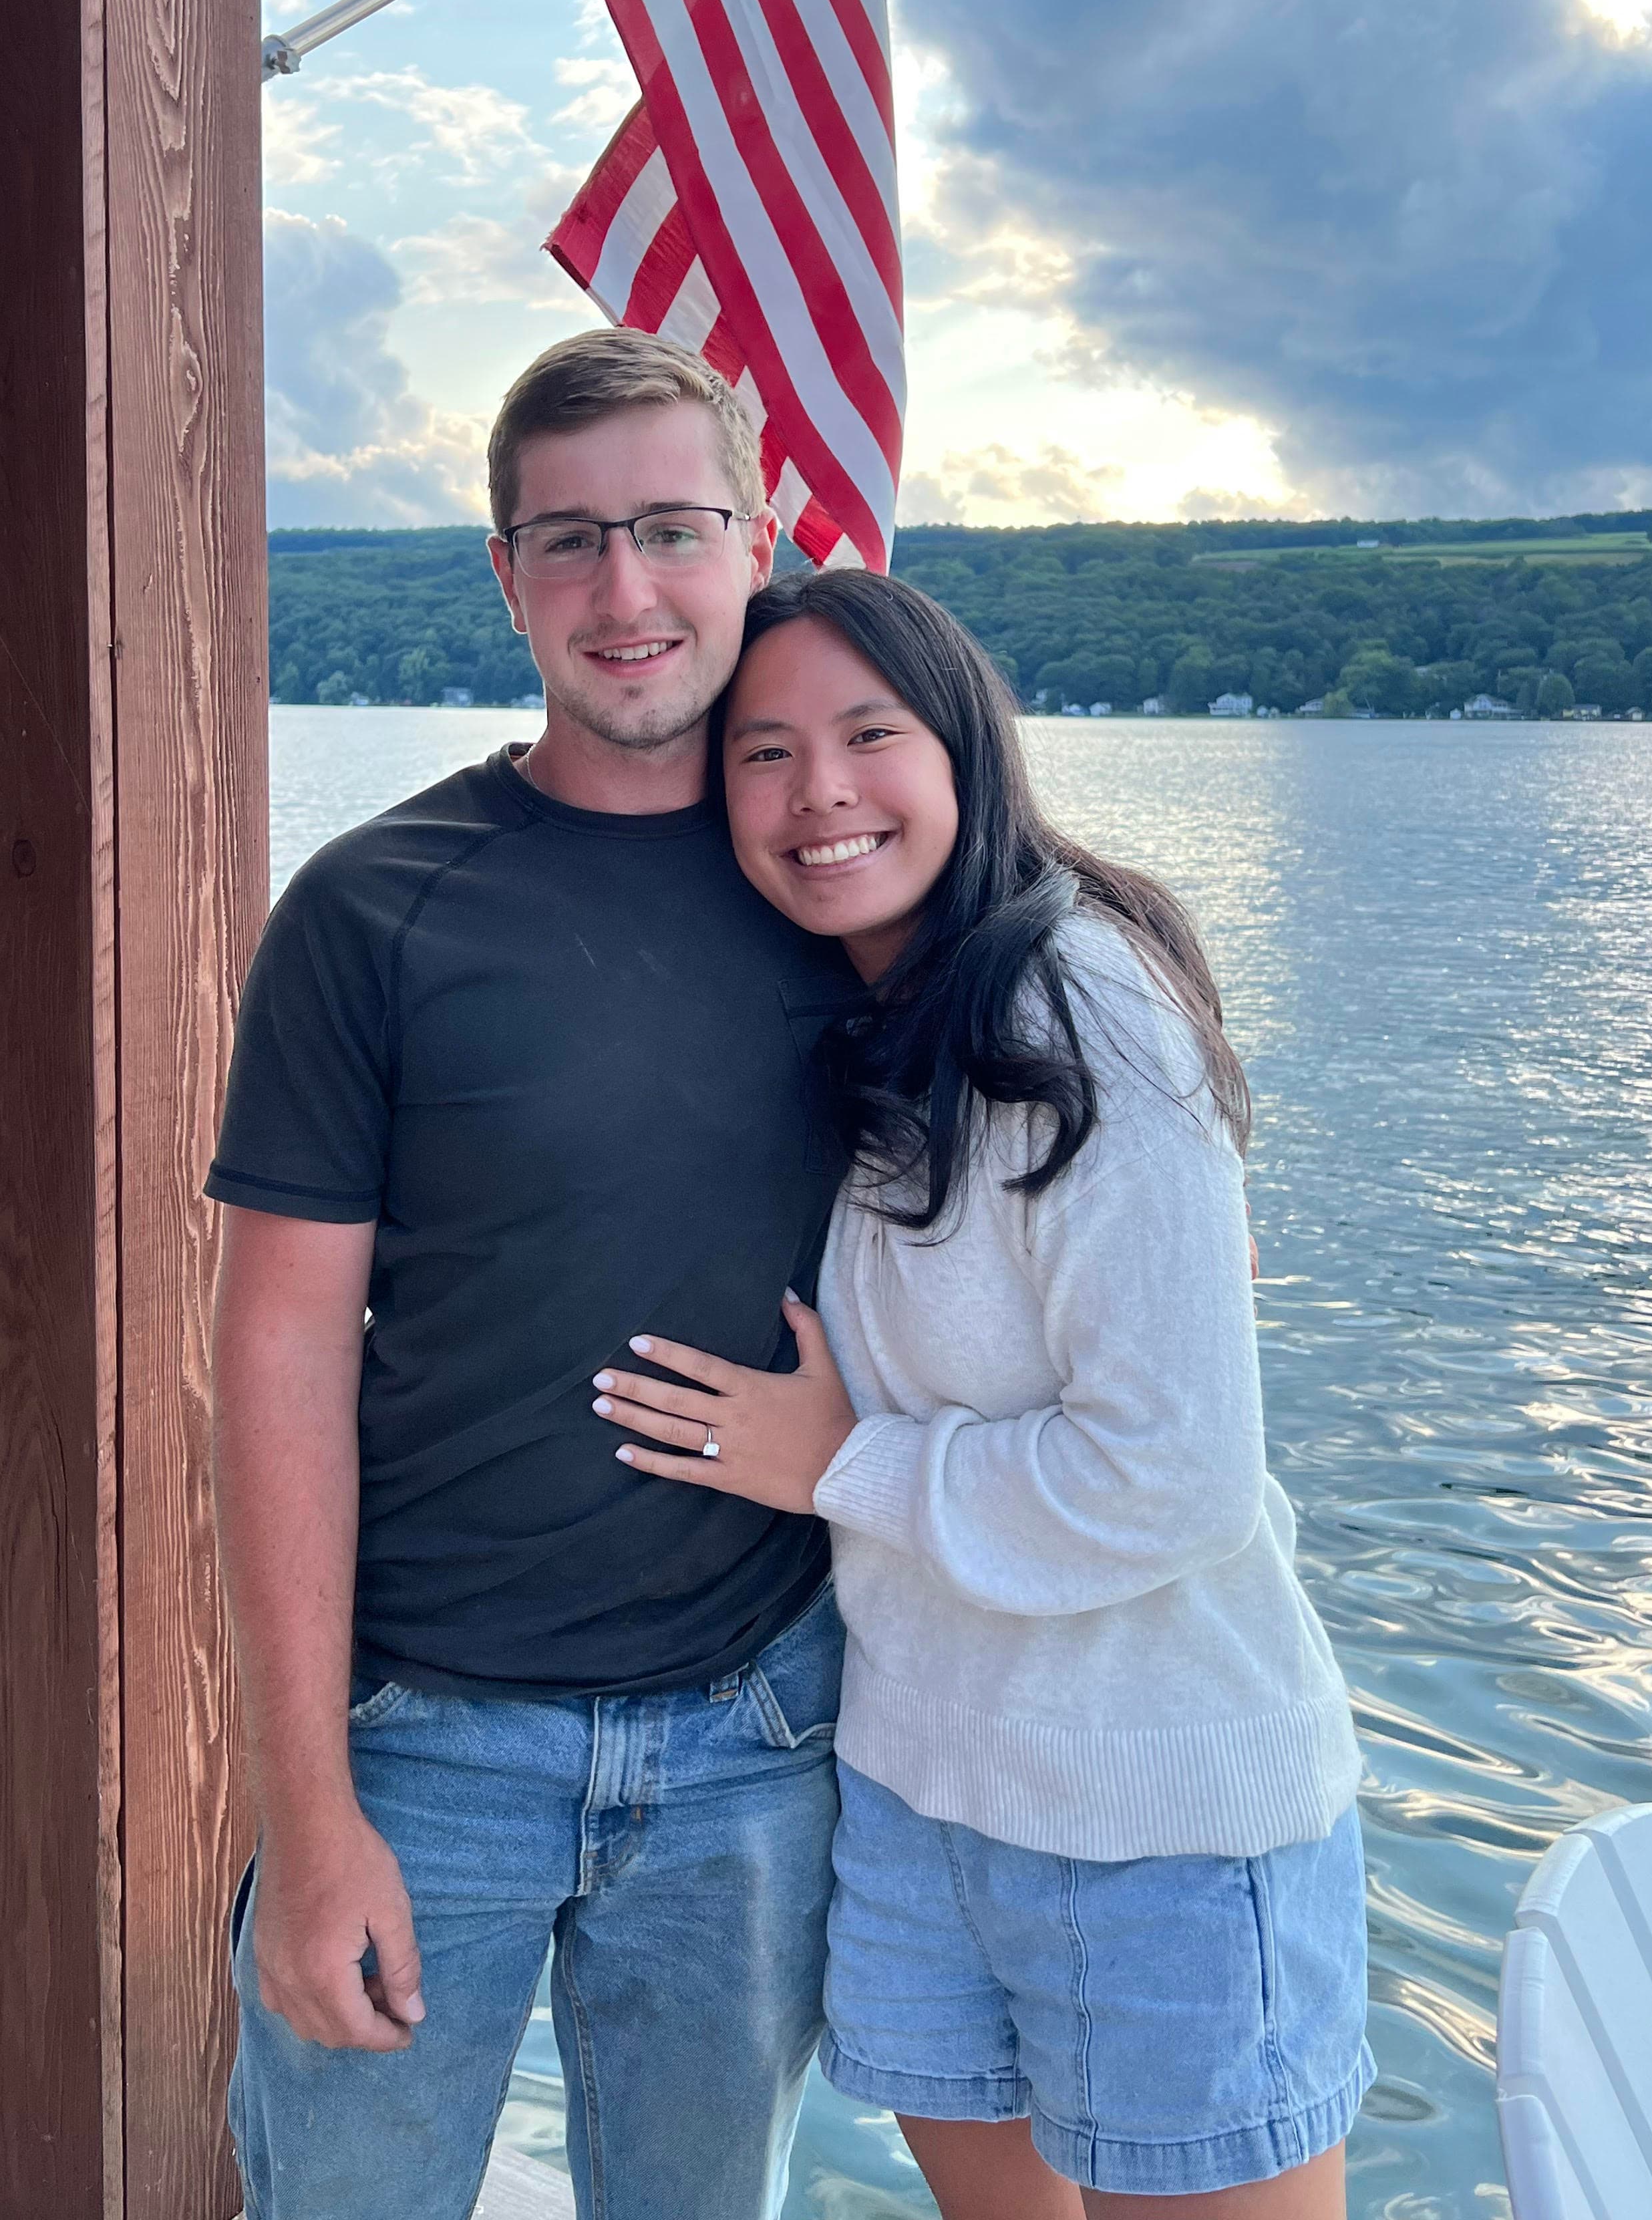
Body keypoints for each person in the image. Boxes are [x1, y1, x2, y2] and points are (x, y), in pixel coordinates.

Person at [590, 568, 1373, 2219]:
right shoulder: (872, 1015)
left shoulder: (1080, 1005)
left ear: (965, 747)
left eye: (870, 734)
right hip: (921, 1787)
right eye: (764, 751)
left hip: (1155, 1798)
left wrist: (848, 1464)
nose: (820, 793)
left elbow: (1178, 1479)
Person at [206, 333, 861, 2220]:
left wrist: (863, 1452)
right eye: (566, 542)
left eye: (671, 528)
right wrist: (307, 1812)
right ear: (504, 576)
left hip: (760, 1732)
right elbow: (277, 1357)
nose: (625, 591)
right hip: (423, 1747)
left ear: (760, 540)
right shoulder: (373, 907)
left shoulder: (854, 884)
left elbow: (1050, 1226)